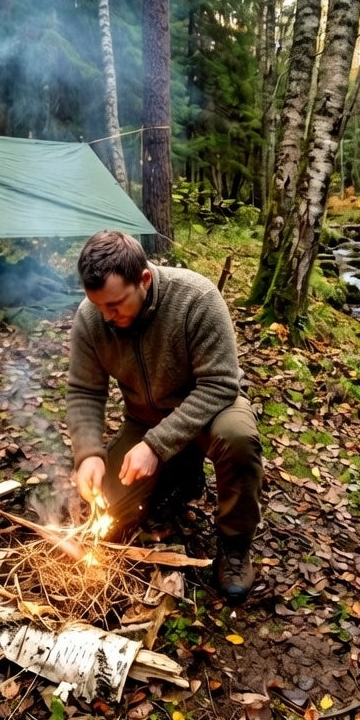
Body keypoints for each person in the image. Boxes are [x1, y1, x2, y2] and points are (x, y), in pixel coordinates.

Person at [67, 231, 264, 603]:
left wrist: (156, 446)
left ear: (144, 279)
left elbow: (220, 384)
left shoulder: (197, 298)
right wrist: (89, 453)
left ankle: (236, 546)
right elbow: (84, 391)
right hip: (144, 419)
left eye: (115, 305)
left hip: (211, 410)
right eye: (99, 306)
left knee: (238, 438)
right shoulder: (92, 316)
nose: (107, 317)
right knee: (111, 517)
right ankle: (181, 474)